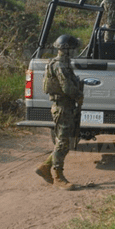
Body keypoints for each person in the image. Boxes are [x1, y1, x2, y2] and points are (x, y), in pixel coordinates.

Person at [35, 35, 84, 190]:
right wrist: (78, 95)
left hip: (65, 106)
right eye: (73, 49)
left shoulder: (62, 63)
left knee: (66, 141)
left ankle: (45, 167)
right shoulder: (60, 66)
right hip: (63, 107)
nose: (75, 52)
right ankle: (58, 176)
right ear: (67, 50)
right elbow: (67, 88)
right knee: (63, 141)